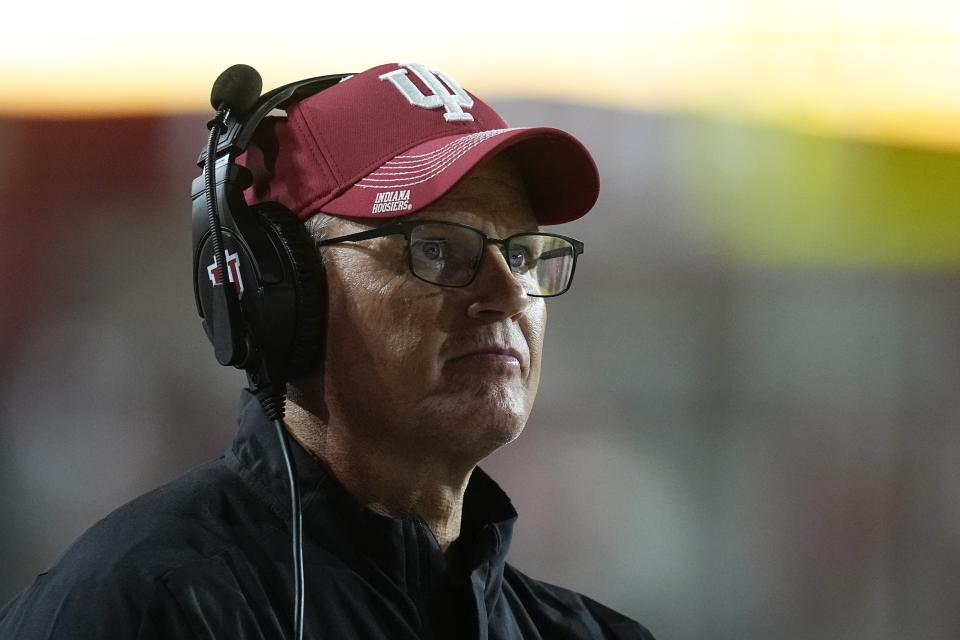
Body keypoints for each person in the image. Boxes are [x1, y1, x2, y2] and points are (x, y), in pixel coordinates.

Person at [0, 62, 655, 639]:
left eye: (521, 254)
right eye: (434, 248)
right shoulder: (138, 607)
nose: (509, 294)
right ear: (279, 288)